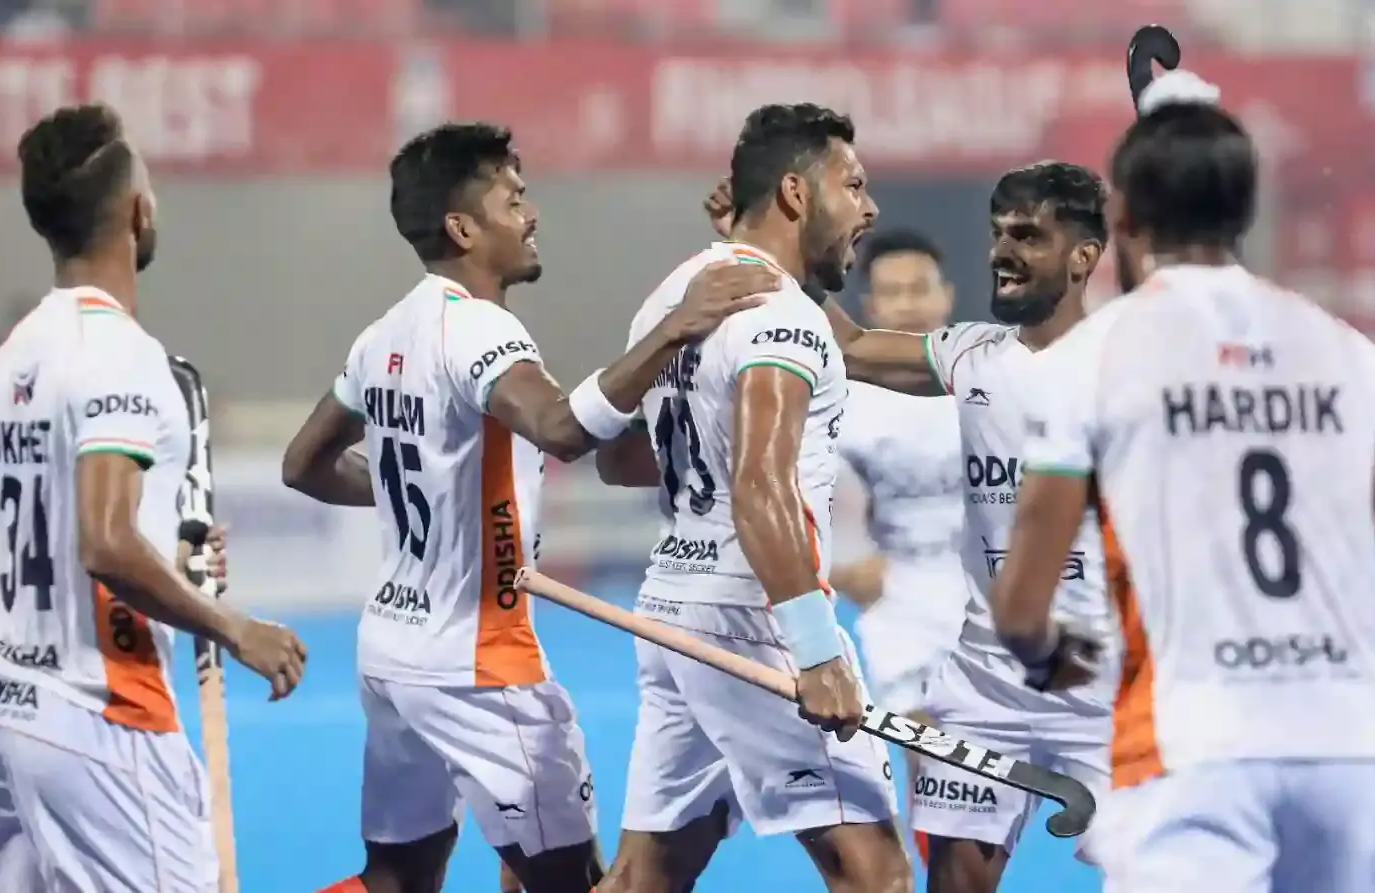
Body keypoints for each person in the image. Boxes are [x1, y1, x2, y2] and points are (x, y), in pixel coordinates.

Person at [279, 122, 776, 893]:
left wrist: (428, 486)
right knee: (569, 883)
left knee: (398, 876)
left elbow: (303, 464)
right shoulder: (479, 328)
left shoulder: (383, 333)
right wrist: (676, 327)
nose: (531, 213)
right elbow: (564, 429)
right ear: (463, 228)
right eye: (513, 200)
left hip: (391, 649)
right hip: (479, 662)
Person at [989, 71, 1375, 893]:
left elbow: (1019, 609)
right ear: (1246, 207)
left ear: (1122, 216)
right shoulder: (1346, 350)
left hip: (1191, 750)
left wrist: (1050, 656)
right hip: (1348, 748)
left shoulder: (1092, 358)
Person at [0, 102, 306, 893]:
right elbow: (106, 543)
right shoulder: (123, 354)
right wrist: (233, 626)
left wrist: (167, 560)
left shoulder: (11, 356)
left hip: (2, 716)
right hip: (103, 716)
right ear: (136, 212)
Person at [593, 102, 911, 893]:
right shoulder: (784, 319)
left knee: (643, 877)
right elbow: (761, 486)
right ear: (797, 193)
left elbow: (623, 459)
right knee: (876, 874)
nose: (870, 208)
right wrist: (817, 650)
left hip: (672, 607)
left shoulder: (672, 297)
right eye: (854, 185)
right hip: (752, 614)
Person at [796, 161, 1113, 893]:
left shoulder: (1129, 366)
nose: (1003, 251)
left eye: (1028, 236)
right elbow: (850, 346)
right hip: (984, 683)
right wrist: (782, 248)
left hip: (1103, 676)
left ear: (1083, 256)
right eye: (999, 234)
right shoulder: (970, 353)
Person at [830, 230, 968, 864]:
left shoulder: (989, 379)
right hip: (902, 596)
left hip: (990, 591)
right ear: (871, 306)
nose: (908, 303)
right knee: (934, 766)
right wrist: (846, 564)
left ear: (947, 296)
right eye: (893, 292)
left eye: (920, 288)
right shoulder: (845, 399)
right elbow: (821, 494)